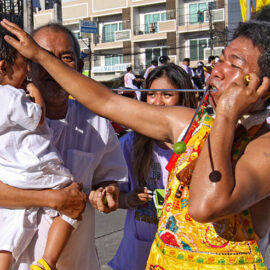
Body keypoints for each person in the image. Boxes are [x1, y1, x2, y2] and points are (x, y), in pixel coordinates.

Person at [4, 8, 270, 269]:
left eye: (234, 64)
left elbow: (205, 205)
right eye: (220, 59)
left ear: (264, 84)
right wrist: (39, 55)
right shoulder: (194, 124)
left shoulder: (263, 146)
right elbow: (106, 101)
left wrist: (225, 116)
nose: (217, 70)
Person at [1, 22, 128, 270]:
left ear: (79, 67)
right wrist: (52, 198)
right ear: (28, 63)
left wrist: (106, 193)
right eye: (43, 56)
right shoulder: (6, 117)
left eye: (66, 57)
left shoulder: (97, 121)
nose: (54, 66)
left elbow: (109, 178)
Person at [0, 30, 78, 270]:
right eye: (27, 64)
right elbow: (37, 118)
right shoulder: (13, 95)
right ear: (4, 67)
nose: (30, 72)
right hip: (36, 169)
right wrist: (35, 93)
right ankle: (48, 261)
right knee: (73, 201)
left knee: (11, 227)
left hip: (10, 174)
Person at [108, 64, 196, 270]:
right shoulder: (129, 144)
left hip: (184, 254)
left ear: (184, 98)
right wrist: (128, 200)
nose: (158, 102)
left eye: (167, 94)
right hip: (139, 254)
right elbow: (113, 196)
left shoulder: (197, 143)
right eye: (151, 94)